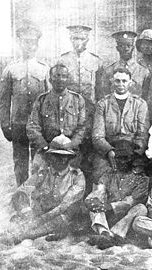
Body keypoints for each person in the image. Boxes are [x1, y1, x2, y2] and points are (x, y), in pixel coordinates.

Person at [0, 135, 85, 245]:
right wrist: (26, 210)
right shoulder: (43, 174)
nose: (61, 159)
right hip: (39, 214)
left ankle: (23, 236)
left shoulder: (77, 176)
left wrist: (36, 221)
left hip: (62, 218)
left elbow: (63, 206)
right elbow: (21, 192)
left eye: (65, 156)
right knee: (13, 226)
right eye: (56, 155)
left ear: (70, 158)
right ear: (50, 157)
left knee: (27, 236)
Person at [0, 23, 50, 186]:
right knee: (20, 162)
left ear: (37, 45)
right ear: (19, 43)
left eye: (33, 43)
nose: (29, 46)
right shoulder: (10, 70)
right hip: (18, 123)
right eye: (26, 42)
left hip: (38, 125)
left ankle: (36, 193)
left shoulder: (44, 70)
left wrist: (47, 125)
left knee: (39, 160)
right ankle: (21, 194)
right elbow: (4, 101)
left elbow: (48, 101)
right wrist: (5, 125)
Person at [58, 25, 103, 186]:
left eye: (82, 38)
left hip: (90, 115)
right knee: (70, 152)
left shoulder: (95, 61)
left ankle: (87, 191)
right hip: (69, 114)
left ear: (88, 40)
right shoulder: (62, 60)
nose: (78, 42)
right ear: (70, 39)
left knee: (89, 152)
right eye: (75, 38)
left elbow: (100, 91)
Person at [85, 140, 149, 250]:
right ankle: (105, 234)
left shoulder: (141, 178)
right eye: (118, 158)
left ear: (132, 158)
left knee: (141, 208)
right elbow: (100, 190)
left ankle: (114, 235)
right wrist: (93, 200)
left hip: (127, 220)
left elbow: (130, 202)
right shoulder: (109, 175)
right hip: (109, 217)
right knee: (94, 204)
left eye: (125, 158)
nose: (121, 162)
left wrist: (109, 206)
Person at [27, 63, 87, 178]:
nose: (60, 79)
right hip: (47, 148)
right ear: (50, 79)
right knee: (38, 169)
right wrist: (44, 146)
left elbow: (82, 127)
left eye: (63, 76)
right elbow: (32, 127)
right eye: (56, 76)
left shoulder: (77, 100)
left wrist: (71, 145)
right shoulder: (42, 100)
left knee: (76, 173)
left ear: (68, 79)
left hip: (70, 150)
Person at [92, 67, 150, 184]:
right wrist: (109, 151)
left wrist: (134, 153)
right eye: (117, 81)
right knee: (100, 174)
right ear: (112, 82)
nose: (121, 84)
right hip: (109, 151)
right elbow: (97, 135)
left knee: (138, 177)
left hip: (132, 152)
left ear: (130, 83)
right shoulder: (103, 104)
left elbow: (142, 135)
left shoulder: (140, 104)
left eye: (124, 81)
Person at [99, 31, 149, 99]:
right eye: (122, 45)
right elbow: (104, 96)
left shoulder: (143, 71)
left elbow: (146, 98)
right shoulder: (109, 71)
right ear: (117, 48)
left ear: (133, 47)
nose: (126, 49)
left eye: (129, 45)